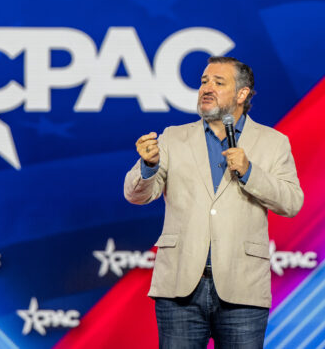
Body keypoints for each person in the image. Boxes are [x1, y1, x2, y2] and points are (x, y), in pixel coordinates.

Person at [123, 56, 303, 348]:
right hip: (180, 287)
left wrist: (250, 172)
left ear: (242, 94)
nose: (207, 88)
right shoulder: (173, 138)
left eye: (219, 82)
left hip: (242, 288)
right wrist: (148, 165)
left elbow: (292, 202)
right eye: (204, 81)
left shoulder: (273, 142)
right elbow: (136, 194)